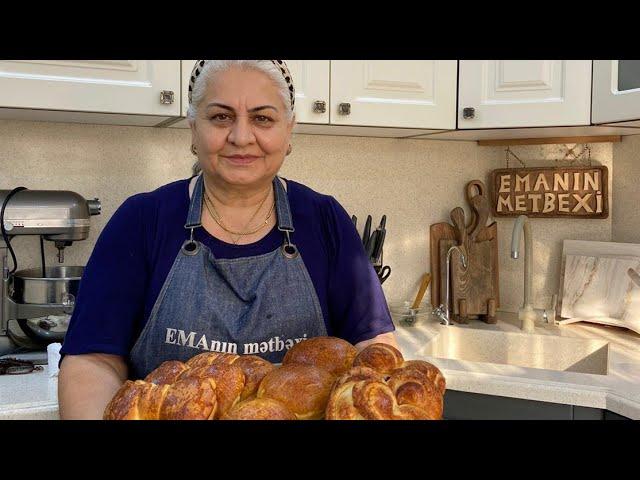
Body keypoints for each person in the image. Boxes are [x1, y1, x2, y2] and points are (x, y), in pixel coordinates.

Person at [58, 60, 397, 419]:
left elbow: (374, 351)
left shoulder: (325, 220)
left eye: (263, 118)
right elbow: (92, 362)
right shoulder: (142, 220)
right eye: (220, 117)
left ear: (289, 130)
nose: (241, 137)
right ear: (193, 128)